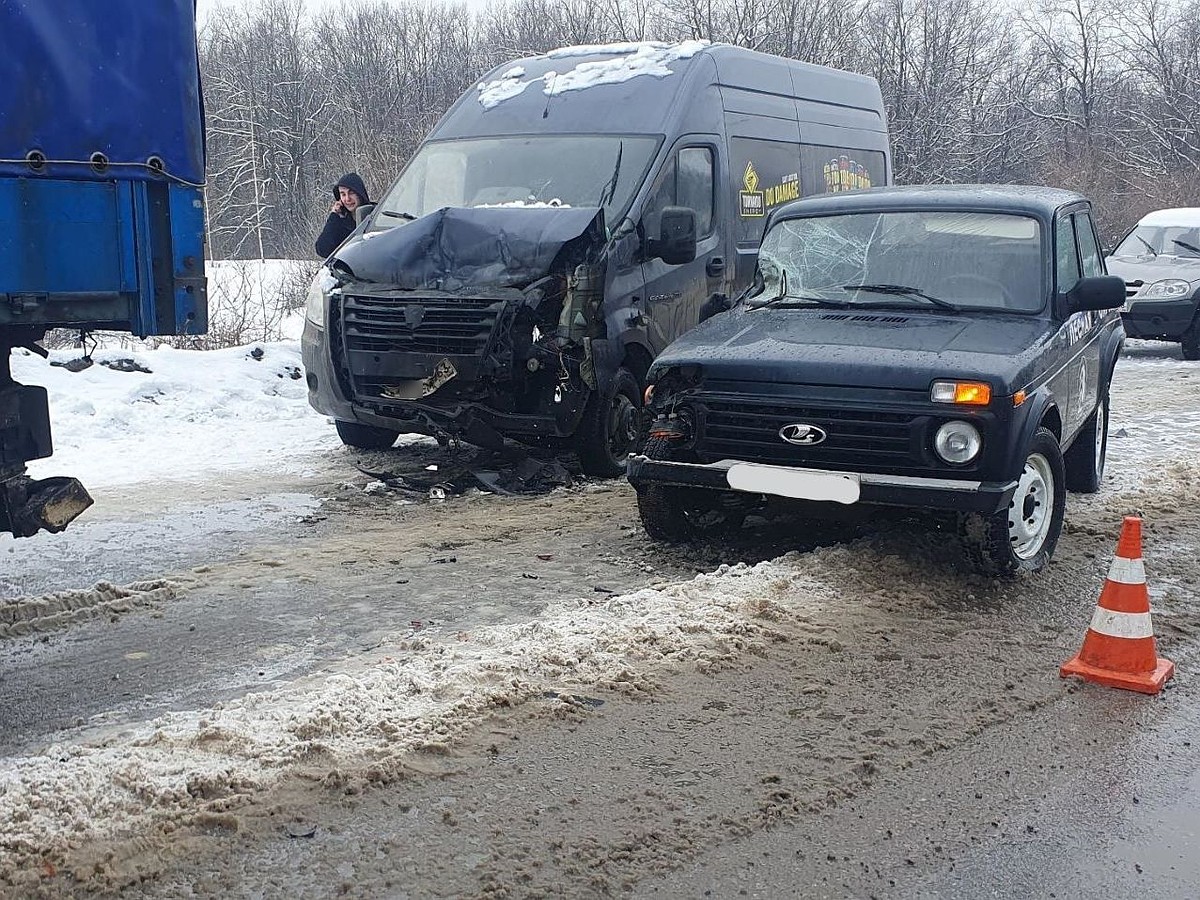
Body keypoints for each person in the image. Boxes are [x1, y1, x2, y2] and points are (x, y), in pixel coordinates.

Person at [315, 172, 370, 258]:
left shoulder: (375, 216)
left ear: (360, 194)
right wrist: (333, 217)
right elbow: (323, 250)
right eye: (343, 194)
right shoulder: (340, 223)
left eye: (351, 193)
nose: (347, 199)